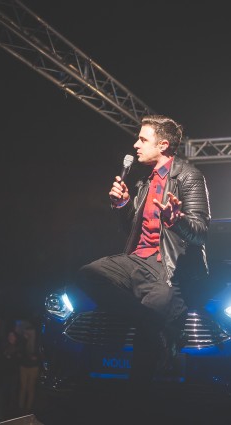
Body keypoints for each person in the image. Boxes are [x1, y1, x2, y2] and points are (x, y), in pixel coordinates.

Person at [76, 114, 211, 392]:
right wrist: (123, 204)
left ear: (163, 145)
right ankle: (155, 328)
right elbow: (132, 229)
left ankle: (138, 397)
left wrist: (177, 220)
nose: (136, 145)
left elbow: (200, 232)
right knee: (88, 274)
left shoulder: (189, 176)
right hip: (137, 261)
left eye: (142, 139)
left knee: (145, 340)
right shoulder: (144, 183)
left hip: (168, 268)